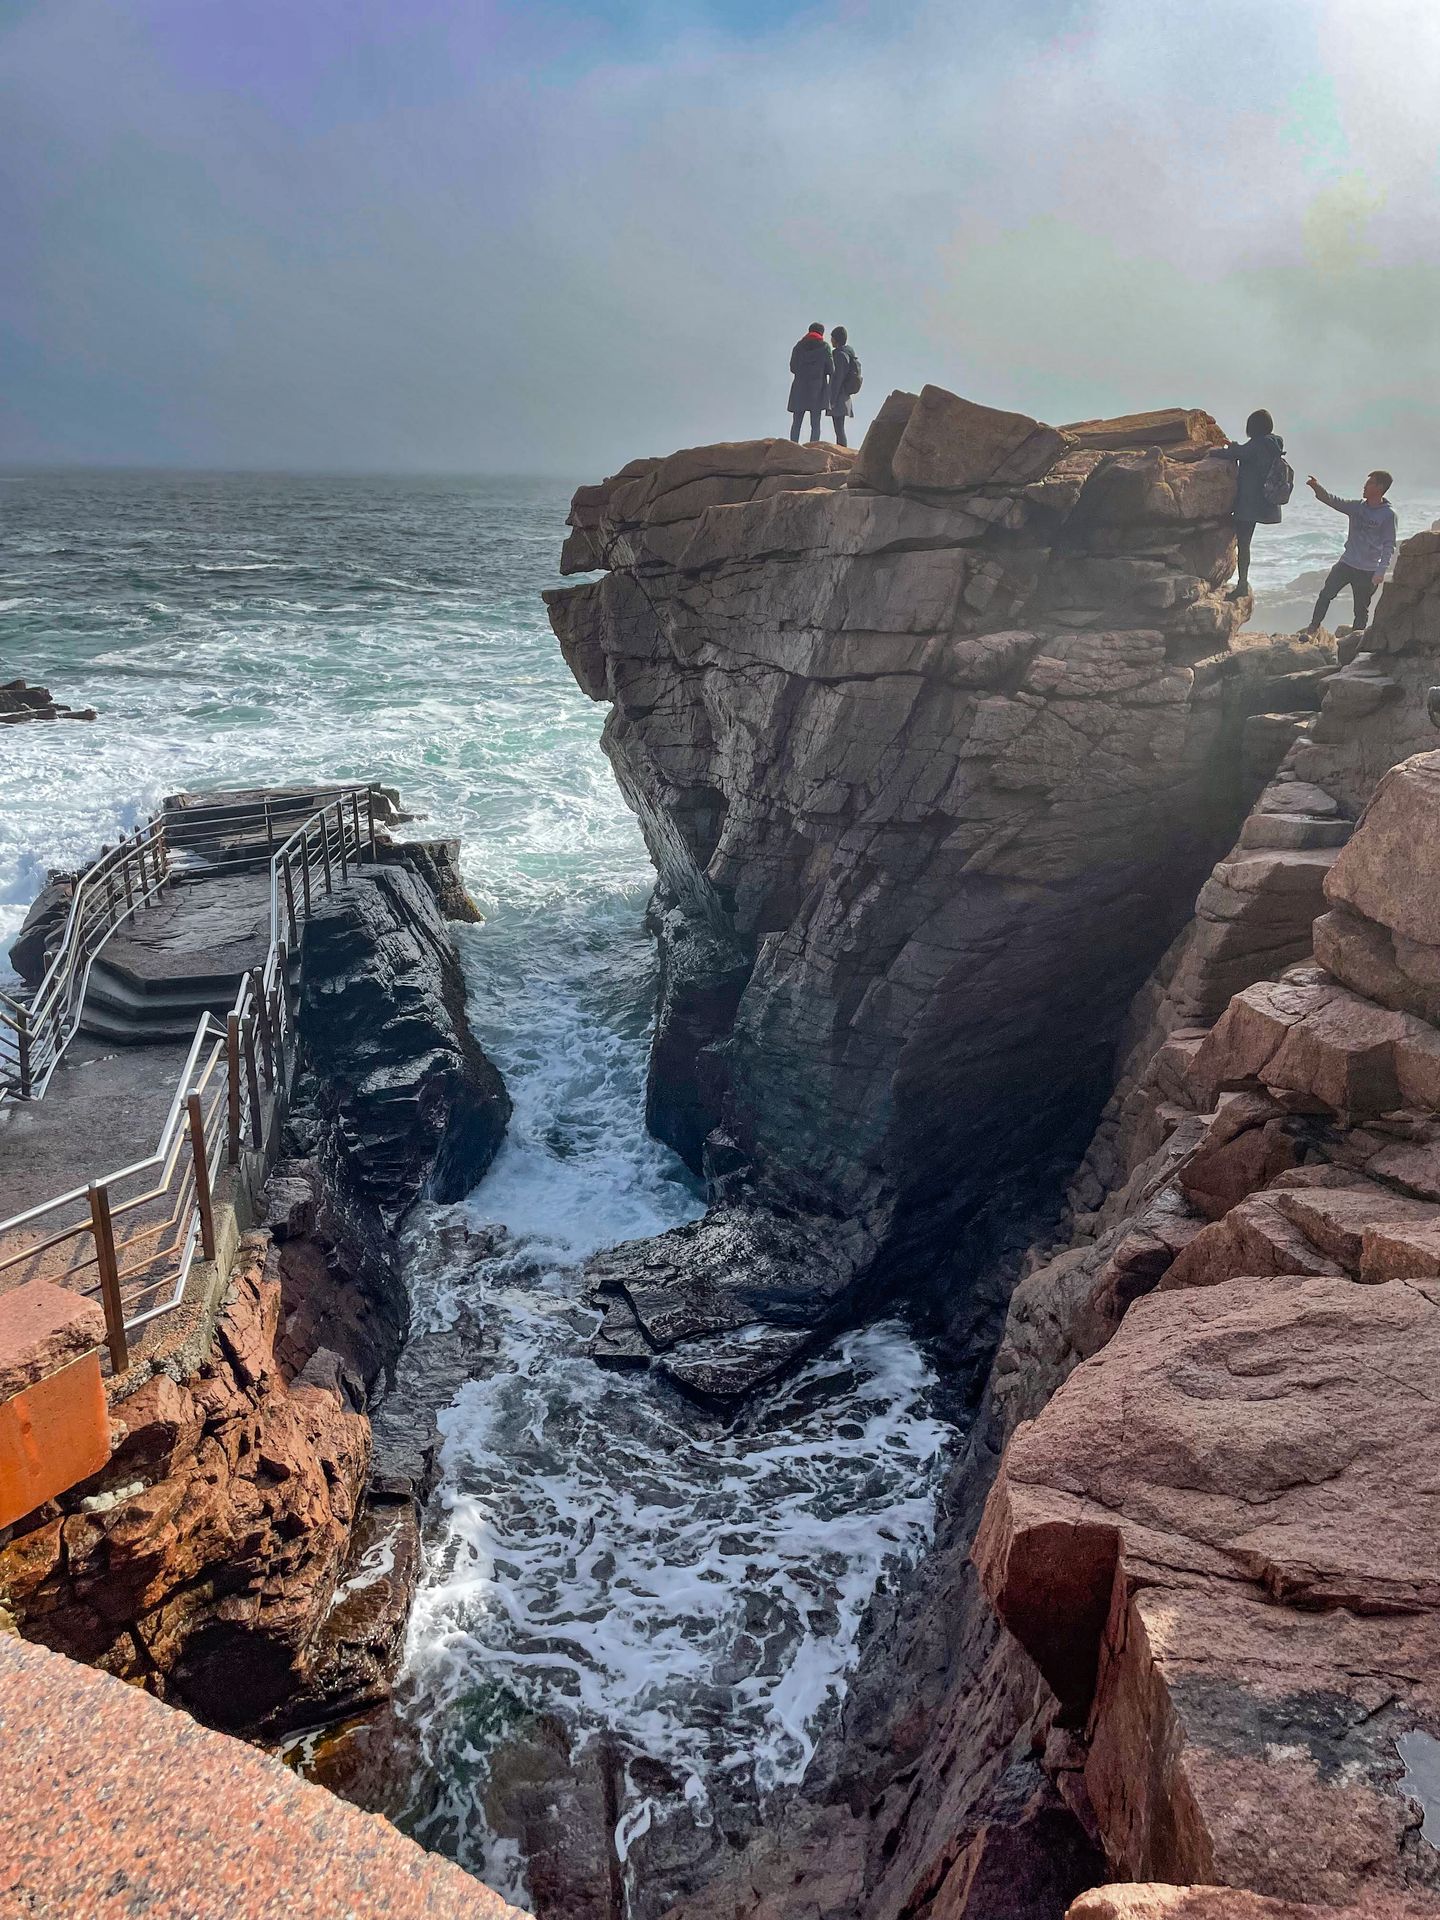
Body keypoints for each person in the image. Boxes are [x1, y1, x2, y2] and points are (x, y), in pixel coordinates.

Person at [1301, 469, 1398, 636]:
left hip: (1368, 570)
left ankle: (1355, 644)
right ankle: (1312, 629)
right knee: (1325, 594)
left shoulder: (1388, 515)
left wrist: (1380, 572)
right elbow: (1333, 501)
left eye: (1369, 483)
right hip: (1346, 563)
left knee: (1360, 610)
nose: (1365, 486)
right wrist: (1317, 488)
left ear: (1380, 488)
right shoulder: (1357, 507)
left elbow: (1389, 545)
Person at [1218, 409, 1289, 601]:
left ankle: (1242, 584)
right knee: (1245, 543)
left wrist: (1211, 452)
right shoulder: (1273, 443)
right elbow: (1244, 451)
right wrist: (1234, 447)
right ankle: (1243, 582)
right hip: (1265, 503)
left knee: (1244, 544)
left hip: (1249, 505)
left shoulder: (1256, 445)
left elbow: (1236, 454)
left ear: (1252, 427)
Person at [787, 323, 833, 444]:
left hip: (799, 387)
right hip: (817, 388)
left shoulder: (798, 346)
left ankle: (792, 446)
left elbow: (793, 367)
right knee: (815, 423)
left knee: (796, 422)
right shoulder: (825, 347)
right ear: (821, 333)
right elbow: (831, 369)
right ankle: (813, 447)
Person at [828, 326, 861, 447]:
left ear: (836, 339)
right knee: (839, 428)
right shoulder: (847, 353)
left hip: (839, 397)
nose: (830, 340)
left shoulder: (840, 355)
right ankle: (843, 451)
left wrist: (832, 400)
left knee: (839, 429)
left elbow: (837, 379)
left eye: (832, 338)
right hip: (845, 396)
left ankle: (842, 452)